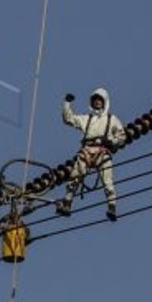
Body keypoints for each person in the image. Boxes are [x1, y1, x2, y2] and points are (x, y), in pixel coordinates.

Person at [57, 88, 126, 221]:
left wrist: (111, 141)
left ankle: (112, 207)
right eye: (95, 100)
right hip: (87, 151)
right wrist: (67, 103)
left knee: (107, 180)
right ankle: (67, 203)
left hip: (103, 152)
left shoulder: (112, 119)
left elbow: (122, 137)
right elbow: (69, 119)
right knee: (75, 175)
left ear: (105, 101)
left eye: (100, 100)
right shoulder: (87, 119)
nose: (97, 102)